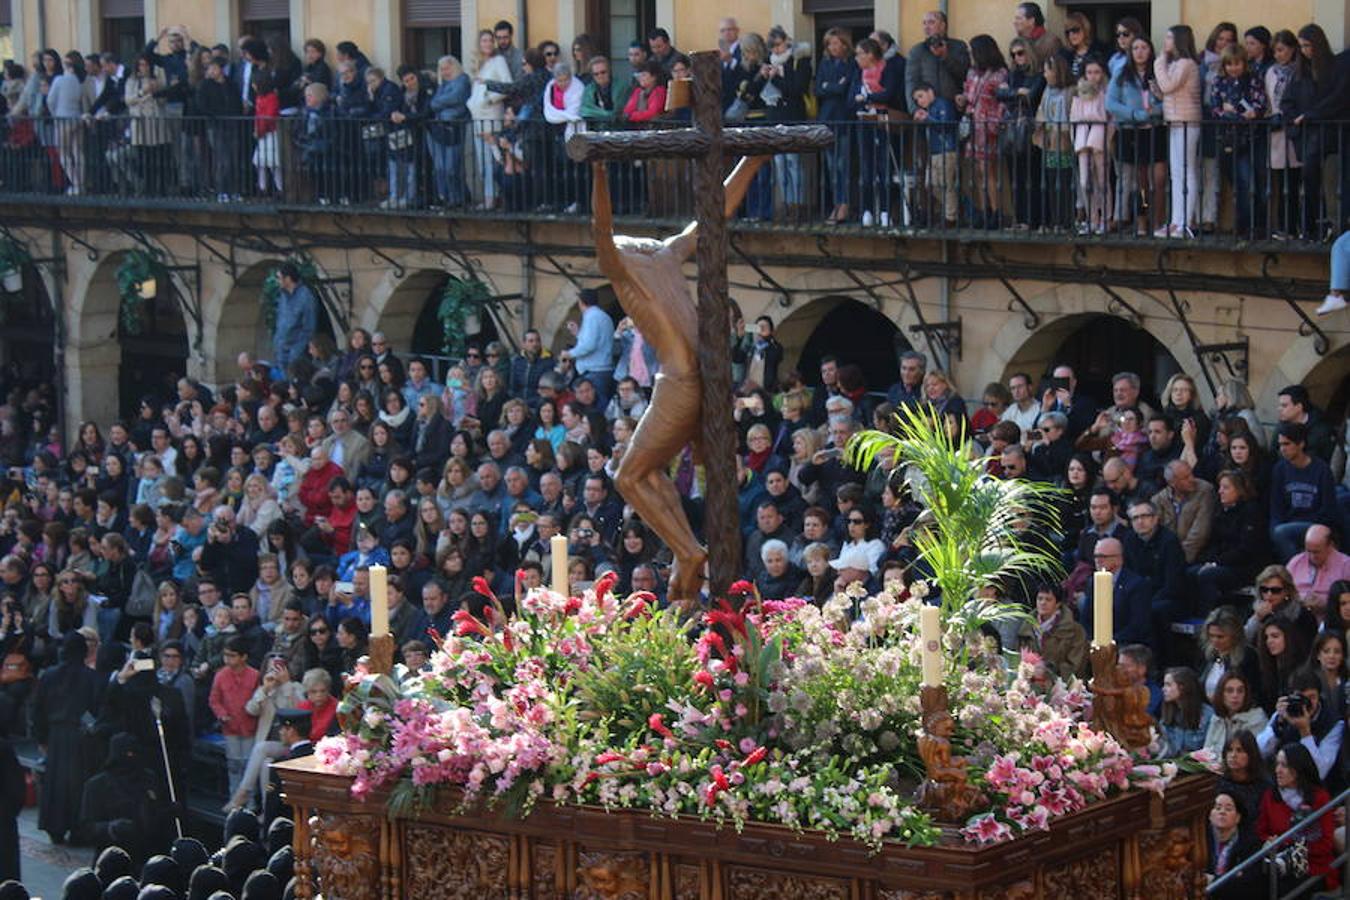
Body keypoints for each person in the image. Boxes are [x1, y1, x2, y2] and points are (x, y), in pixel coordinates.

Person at [1257, 742, 1339, 891]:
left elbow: (1326, 844)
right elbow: (1262, 832)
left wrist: (1293, 849)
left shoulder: (1319, 797)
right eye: (1277, 764)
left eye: (1284, 765)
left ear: (1299, 769)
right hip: (1277, 861)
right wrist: (1269, 841)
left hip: (1312, 866)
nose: (1277, 770)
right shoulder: (1270, 796)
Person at [1154, 25, 1202, 238]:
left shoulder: (1186, 64)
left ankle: (1185, 222)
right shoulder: (1175, 65)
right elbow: (1168, 92)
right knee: (1177, 173)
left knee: (1186, 170)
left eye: (1169, 38)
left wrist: (1158, 62)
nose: (1165, 42)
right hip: (1174, 121)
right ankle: (1175, 221)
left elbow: (1168, 86)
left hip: (1187, 122)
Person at [1269, 422, 1339, 562]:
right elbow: (1276, 507)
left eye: (1287, 444)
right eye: (1280, 445)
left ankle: (1298, 570)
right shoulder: (1280, 469)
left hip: (1315, 524)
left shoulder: (1322, 470)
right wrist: (1274, 528)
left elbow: (1328, 509)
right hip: (1288, 523)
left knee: (1282, 533)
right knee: (1278, 533)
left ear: (1300, 444)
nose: (1282, 449)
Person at [958, 36, 1009, 229]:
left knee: (988, 170)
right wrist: (962, 99)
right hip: (973, 124)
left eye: (973, 52)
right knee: (977, 171)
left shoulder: (999, 74)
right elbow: (969, 95)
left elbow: (1002, 101)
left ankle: (996, 212)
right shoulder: (972, 72)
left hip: (988, 127)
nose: (970, 56)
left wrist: (995, 122)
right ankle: (984, 210)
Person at [1017, 582, 1087, 678]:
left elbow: (1075, 666)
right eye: (1040, 599)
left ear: (1058, 604)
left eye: (1048, 599)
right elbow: (1017, 657)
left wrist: (1047, 672)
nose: (1043, 603)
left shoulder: (1075, 631)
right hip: (1028, 682)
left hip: (1062, 686)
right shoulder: (1026, 627)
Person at [904, 10, 970, 112]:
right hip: (927, 110)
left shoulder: (958, 46)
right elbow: (911, 82)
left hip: (955, 108)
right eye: (924, 23)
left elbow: (965, 76)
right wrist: (914, 109)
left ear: (943, 25)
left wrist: (945, 56)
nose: (926, 27)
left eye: (931, 22)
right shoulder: (917, 51)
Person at [1205, 791, 1264, 899]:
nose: (1222, 812)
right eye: (1217, 808)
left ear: (1238, 817)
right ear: (1210, 815)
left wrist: (1213, 881)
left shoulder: (1251, 844)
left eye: (1228, 809)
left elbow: (1247, 884)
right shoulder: (1200, 839)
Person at [1204, 671, 1269, 757]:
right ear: (1221, 694)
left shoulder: (1257, 718)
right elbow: (1206, 752)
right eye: (1229, 691)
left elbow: (1253, 756)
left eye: (1240, 691)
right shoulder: (1217, 717)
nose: (1235, 695)